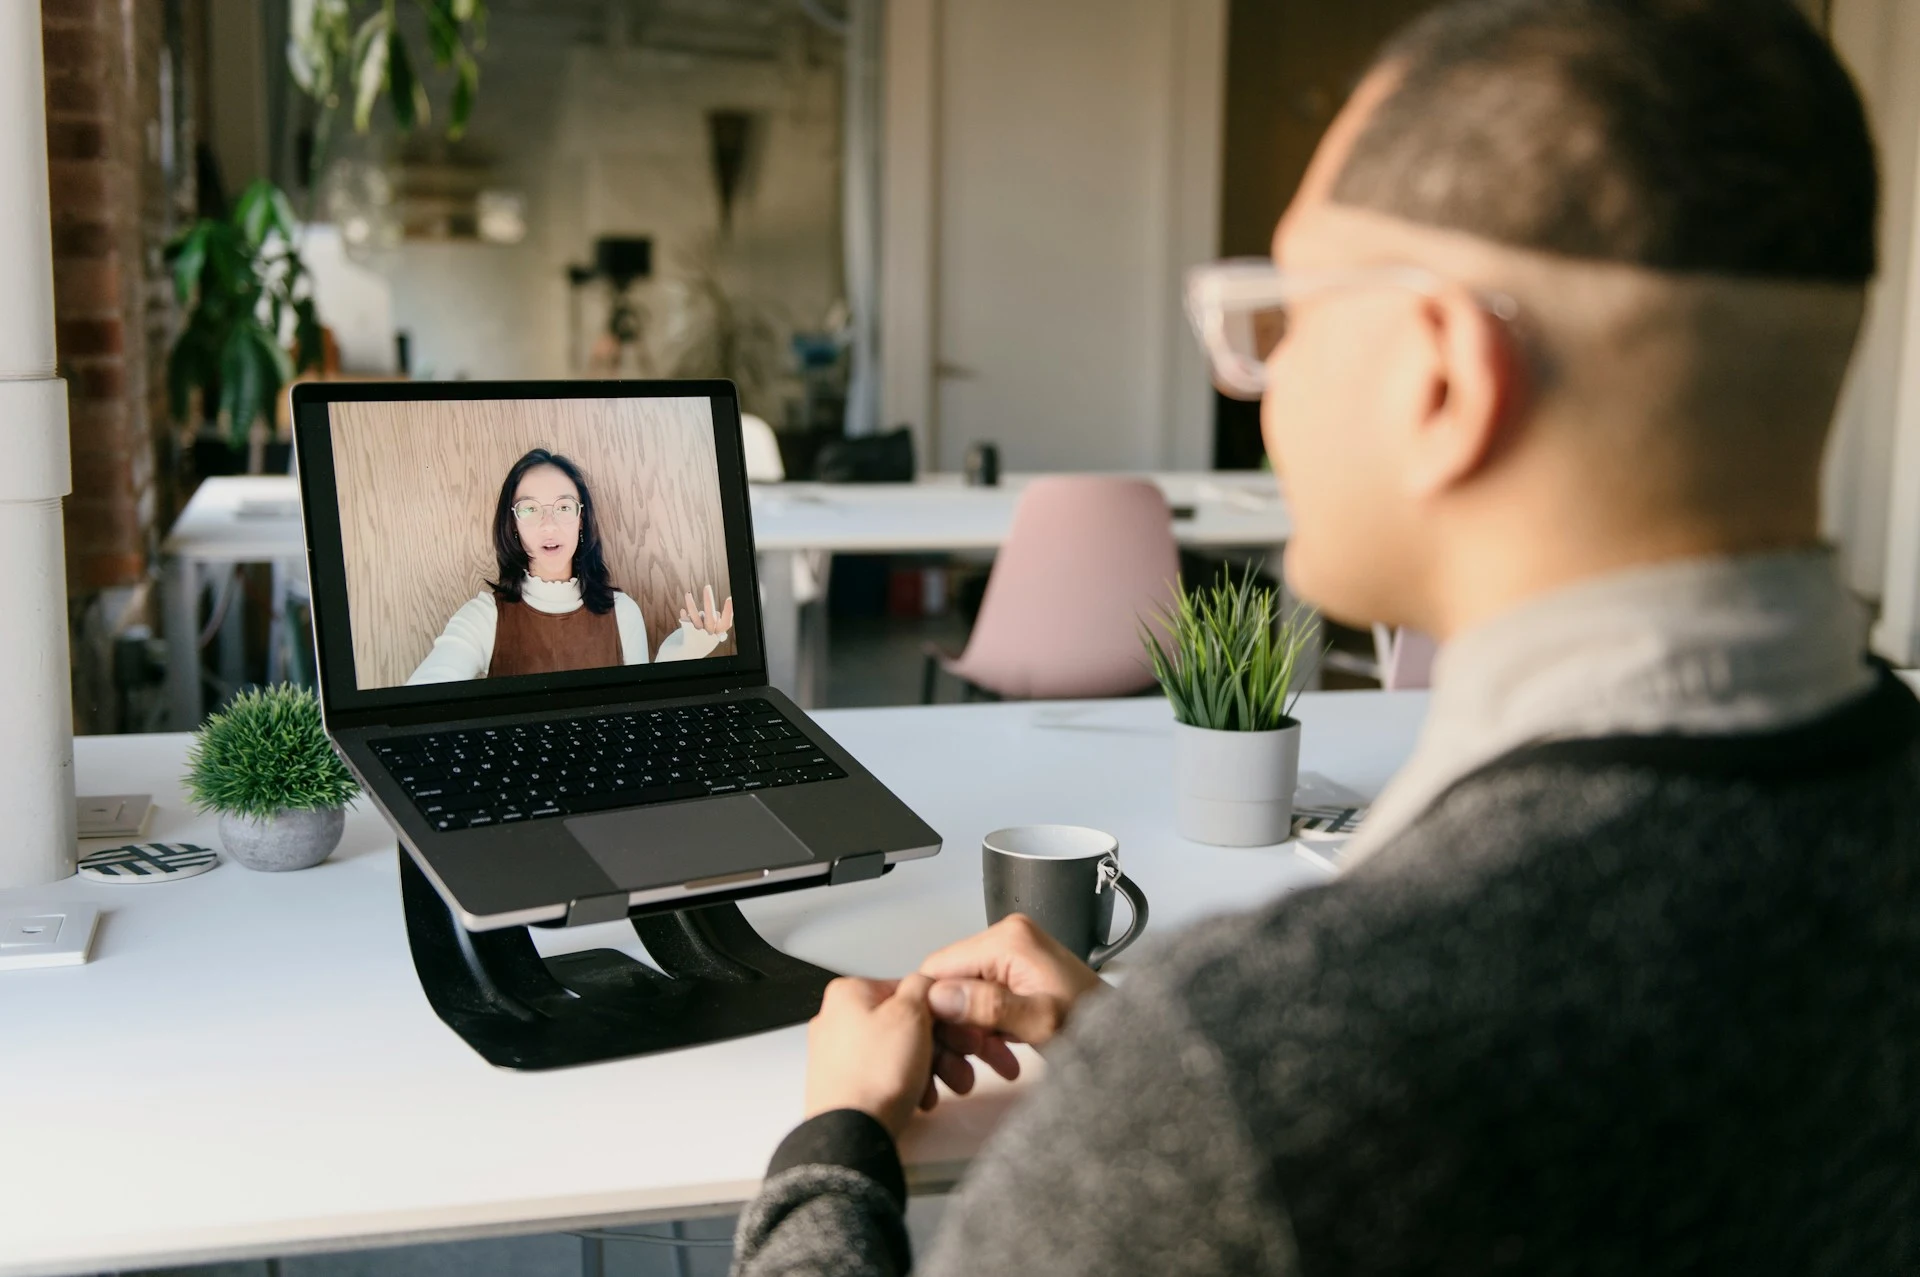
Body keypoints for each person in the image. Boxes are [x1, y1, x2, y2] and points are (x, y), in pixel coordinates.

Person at [730, 0, 1920, 1272]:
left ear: (1441, 377)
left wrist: (833, 1141)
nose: (1264, 382)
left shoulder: (1264, 1071)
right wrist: (1154, 1069)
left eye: (1282, 314)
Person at [407, 448, 733, 683]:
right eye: (530, 509)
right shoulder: (484, 616)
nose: (549, 524)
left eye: (563, 507)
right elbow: (430, 687)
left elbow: (642, 705)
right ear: (513, 525)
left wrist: (690, 645)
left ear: (581, 519)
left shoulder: (622, 611)